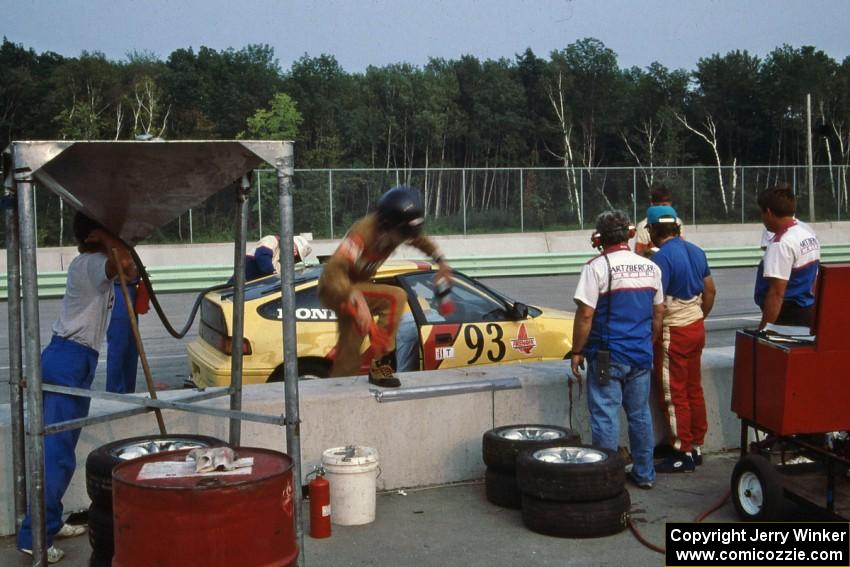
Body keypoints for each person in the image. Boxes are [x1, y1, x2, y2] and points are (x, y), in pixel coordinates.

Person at [18, 212, 136, 563]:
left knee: (62, 452)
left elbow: (130, 272)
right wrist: (105, 235)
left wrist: (107, 238)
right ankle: (34, 536)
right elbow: (126, 261)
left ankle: (50, 522)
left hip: (76, 359)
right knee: (55, 454)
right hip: (67, 358)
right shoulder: (89, 264)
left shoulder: (97, 263)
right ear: (96, 238)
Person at [318, 186, 451, 387]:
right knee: (395, 296)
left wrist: (440, 261)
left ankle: (340, 387)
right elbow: (335, 269)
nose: (405, 240)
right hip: (335, 287)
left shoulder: (398, 227)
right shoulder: (362, 233)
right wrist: (353, 294)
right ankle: (381, 363)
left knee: (350, 350)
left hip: (357, 288)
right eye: (403, 235)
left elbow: (419, 240)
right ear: (387, 226)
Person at [571, 210, 664, 490]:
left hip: (606, 356)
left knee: (605, 417)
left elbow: (586, 315)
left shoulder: (597, 268)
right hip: (640, 354)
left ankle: (606, 480)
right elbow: (658, 314)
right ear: (631, 233)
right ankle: (645, 474)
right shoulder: (651, 267)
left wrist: (577, 351)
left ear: (599, 239)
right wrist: (648, 344)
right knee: (640, 416)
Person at [646, 205, 716, 473]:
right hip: (696, 324)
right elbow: (710, 291)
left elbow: (657, 306)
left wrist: (653, 334)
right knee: (693, 387)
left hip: (673, 329)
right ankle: (695, 443)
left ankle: (681, 451)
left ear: (652, 229)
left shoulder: (660, 259)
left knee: (673, 392)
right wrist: (699, 315)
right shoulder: (696, 251)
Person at [754, 185, 820, 330]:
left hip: (787, 316)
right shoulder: (807, 234)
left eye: (762, 213)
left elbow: (776, 293)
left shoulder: (781, 243)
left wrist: (764, 329)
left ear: (769, 212)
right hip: (806, 308)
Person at [105, 278, 149, 394]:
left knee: (131, 350)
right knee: (118, 349)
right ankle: (115, 395)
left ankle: (129, 393)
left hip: (131, 289)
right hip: (118, 290)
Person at [634, 185, 684, 257]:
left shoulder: (677, 222)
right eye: (657, 205)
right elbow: (639, 253)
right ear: (652, 204)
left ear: (670, 204)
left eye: (664, 205)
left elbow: (681, 246)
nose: (661, 208)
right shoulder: (644, 225)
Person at [239, 234, 312, 282]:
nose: (295, 254)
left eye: (298, 256)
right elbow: (264, 263)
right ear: (288, 242)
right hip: (238, 286)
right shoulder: (271, 240)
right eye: (296, 249)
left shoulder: (283, 266)